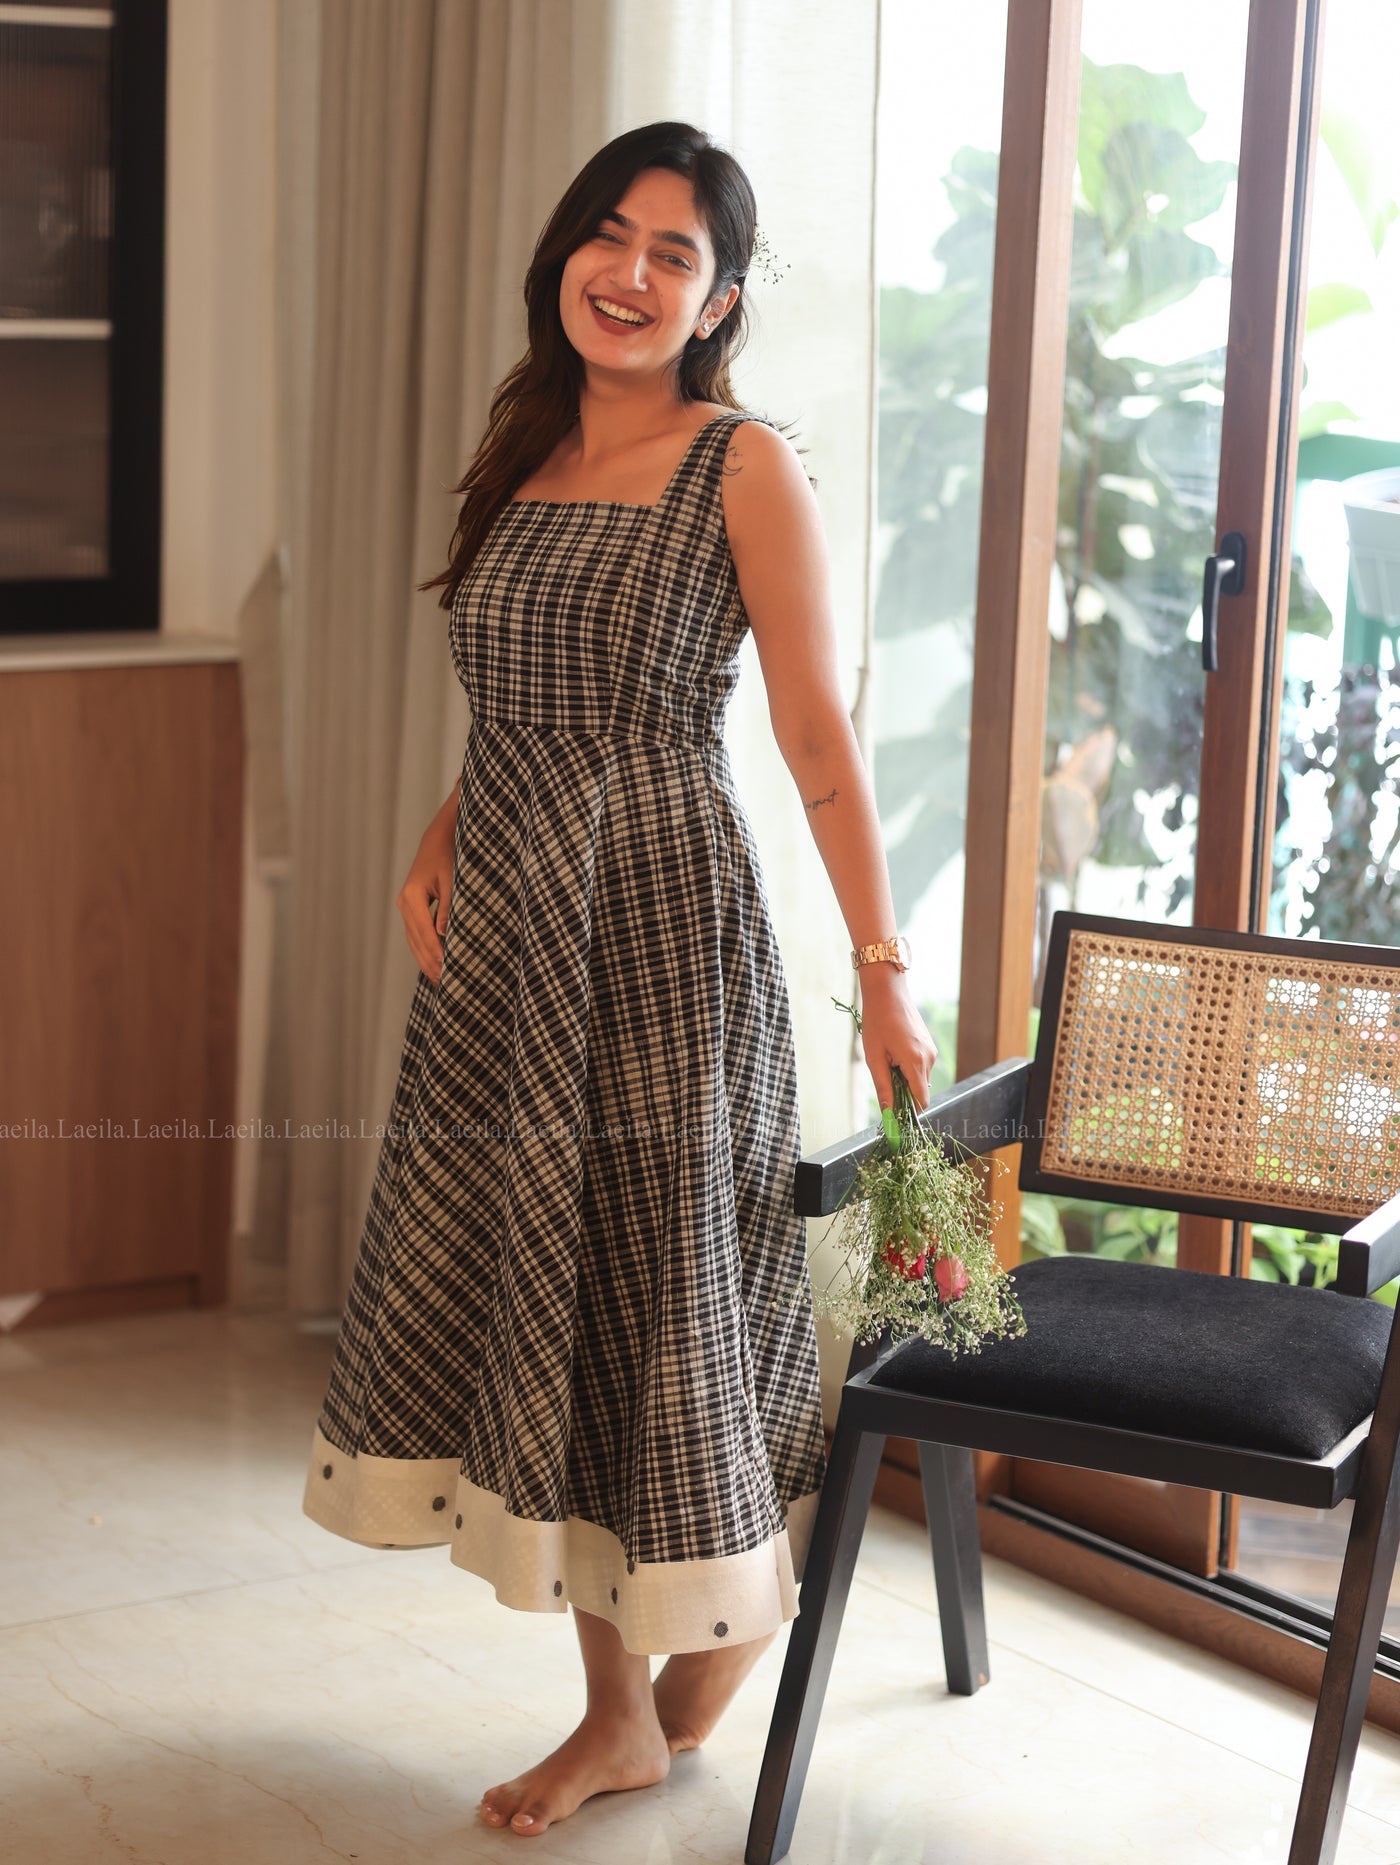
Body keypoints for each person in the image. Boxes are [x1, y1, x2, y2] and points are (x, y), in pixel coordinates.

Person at [300, 119, 938, 1840]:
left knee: (660, 1287)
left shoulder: (742, 463)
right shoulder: (525, 446)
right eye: (612, 233)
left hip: (655, 926)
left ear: (718, 301)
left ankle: (666, 1669)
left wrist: (883, 970)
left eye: (676, 253)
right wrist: (444, 828)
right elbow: (522, 690)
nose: (633, 272)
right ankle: (640, 1696)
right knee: (555, 1290)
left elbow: (814, 735)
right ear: (565, 252)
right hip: (514, 927)